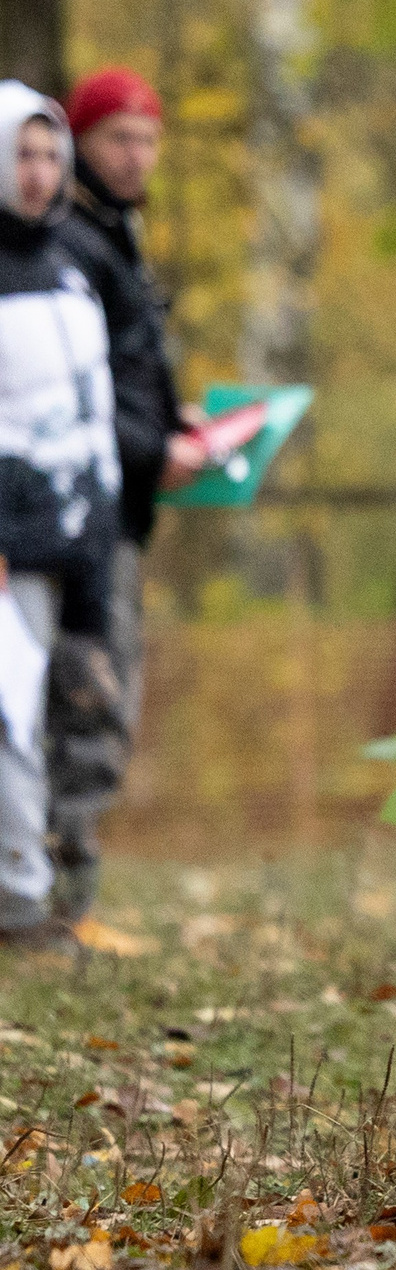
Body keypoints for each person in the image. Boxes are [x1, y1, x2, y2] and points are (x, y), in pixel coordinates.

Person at [53, 67, 196, 921]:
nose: (137, 156)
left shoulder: (113, 236)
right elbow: (73, 393)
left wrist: (174, 421)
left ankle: (65, 897)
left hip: (118, 504)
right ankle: (58, 904)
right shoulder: (70, 243)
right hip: (84, 512)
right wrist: (154, 452)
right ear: (80, 140)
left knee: (104, 702)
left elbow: (128, 379)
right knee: (88, 704)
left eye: (149, 139)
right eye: (119, 138)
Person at [0, 83, 121, 953]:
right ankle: (18, 901)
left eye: (49, 155)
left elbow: (90, 418)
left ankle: (50, 892)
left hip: (73, 540)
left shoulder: (77, 271)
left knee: (61, 715)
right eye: (20, 153)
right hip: (9, 543)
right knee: (7, 716)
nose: (37, 174)